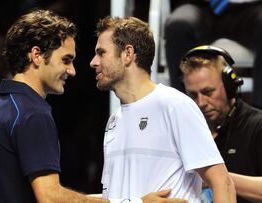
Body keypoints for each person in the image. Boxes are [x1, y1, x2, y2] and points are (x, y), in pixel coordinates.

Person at [0, 9, 188, 203]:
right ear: (37, 56)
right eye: (65, 60)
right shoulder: (33, 113)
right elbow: (50, 196)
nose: (72, 71)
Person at [89, 16, 236, 202]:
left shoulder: (175, 106)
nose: (93, 62)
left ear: (128, 53)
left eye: (101, 53)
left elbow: (223, 183)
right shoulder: (114, 121)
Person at [179, 45, 262, 203]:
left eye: (208, 92)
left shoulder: (257, 126)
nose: (201, 102)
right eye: (192, 95)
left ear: (230, 86)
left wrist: (214, 178)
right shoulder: (184, 131)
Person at [164, 0, 262, 108]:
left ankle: (259, 115)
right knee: (178, 27)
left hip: (249, 7)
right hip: (198, 6)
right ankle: (183, 111)